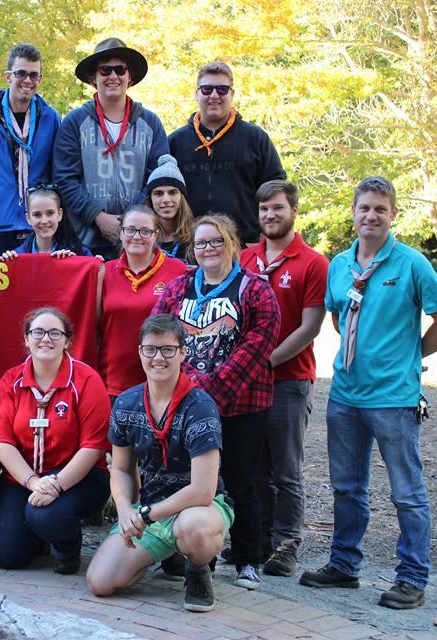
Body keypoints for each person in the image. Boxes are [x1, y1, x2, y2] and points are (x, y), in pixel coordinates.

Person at [299, 177, 437, 610]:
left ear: (393, 215)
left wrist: (413, 354)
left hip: (394, 397)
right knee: (347, 487)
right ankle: (344, 566)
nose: (371, 216)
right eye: (364, 208)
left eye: (380, 209)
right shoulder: (339, 265)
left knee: (406, 491)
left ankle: (411, 577)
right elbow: (337, 316)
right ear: (353, 212)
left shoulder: (411, 264)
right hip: (346, 395)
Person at [153, 215, 280, 590]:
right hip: (185, 404)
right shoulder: (177, 289)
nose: (208, 249)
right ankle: (182, 552)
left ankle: (246, 558)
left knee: (243, 480)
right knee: (184, 479)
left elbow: (259, 342)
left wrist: (210, 390)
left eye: (216, 241)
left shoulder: (255, 290)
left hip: (243, 404)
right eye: (201, 243)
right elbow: (158, 334)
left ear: (232, 243)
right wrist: (187, 391)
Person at [87, 314, 232, 613]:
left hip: (200, 508)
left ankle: (197, 567)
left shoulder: (200, 407)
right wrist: (125, 510)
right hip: (150, 509)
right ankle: (164, 553)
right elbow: (122, 468)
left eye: (168, 350)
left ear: (182, 352)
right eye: (150, 349)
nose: (158, 358)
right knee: (100, 582)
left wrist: (144, 515)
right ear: (140, 352)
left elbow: (202, 491)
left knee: (194, 529)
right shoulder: (126, 404)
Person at [240, 180, 329, 577]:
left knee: (286, 468)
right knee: (253, 464)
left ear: (294, 210)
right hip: (246, 382)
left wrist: (264, 360)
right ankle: (257, 541)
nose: (270, 216)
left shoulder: (313, 262)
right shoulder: (243, 258)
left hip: (288, 378)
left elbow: (310, 327)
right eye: (264, 210)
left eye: (277, 208)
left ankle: (286, 544)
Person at [0, 308, 111, 574]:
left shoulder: (87, 380)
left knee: (46, 515)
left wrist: (55, 485)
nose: (46, 339)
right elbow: (1, 441)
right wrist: (32, 482)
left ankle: (67, 547)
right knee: (8, 556)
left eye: (56, 333)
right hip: (25, 478)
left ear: (67, 341)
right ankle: (40, 536)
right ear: (26, 339)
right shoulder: (11, 380)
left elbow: (94, 446)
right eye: (38, 332)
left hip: (78, 478)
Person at [54, 38, 169, 258]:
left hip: (139, 238)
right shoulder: (74, 122)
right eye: (105, 70)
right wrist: (97, 215)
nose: (113, 77)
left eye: (120, 69)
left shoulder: (151, 123)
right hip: (85, 241)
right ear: (93, 78)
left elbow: (158, 176)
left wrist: (130, 219)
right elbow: (64, 177)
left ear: (130, 76)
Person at [169, 61, 285, 244]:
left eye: (222, 89)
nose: (214, 95)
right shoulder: (175, 141)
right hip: (189, 246)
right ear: (196, 94)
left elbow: (276, 188)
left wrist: (267, 235)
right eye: (207, 89)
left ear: (232, 94)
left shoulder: (255, 138)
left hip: (245, 245)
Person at [0, 43, 61, 260]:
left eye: (34, 75)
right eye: (21, 73)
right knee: (0, 292)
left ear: (40, 80)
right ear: (8, 76)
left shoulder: (50, 117)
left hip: (37, 225)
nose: (27, 80)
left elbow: (56, 170)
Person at [98, 206, 187, 399]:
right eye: (130, 230)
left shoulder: (178, 270)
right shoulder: (103, 271)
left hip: (163, 383)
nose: (137, 236)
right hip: (113, 383)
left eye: (145, 231)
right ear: (121, 233)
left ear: (156, 235)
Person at [0, 186, 91, 261]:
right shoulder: (17, 256)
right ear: (28, 218)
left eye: (50, 213)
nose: (44, 221)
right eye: (37, 215)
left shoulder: (79, 253)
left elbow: (95, 279)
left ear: (60, 214)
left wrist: (97, 267)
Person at [145, 155, 194, 261]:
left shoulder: (196, 238)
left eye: (172, 192)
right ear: (150, 199)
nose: (166, 199)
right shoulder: (141, 238)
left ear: (182, 197)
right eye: (158, 193)